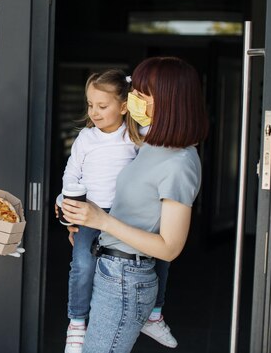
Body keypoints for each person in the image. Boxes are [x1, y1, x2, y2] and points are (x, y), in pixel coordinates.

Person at [61, 56, 209, 352]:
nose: (133, 98)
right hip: (110, 266)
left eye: (142, 93)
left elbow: (170, 247)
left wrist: (102, 221)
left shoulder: (180, 162)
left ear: (169, 100)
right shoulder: (148, 143)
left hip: (127, 280)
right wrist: (86, 223)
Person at [57, 69, 142, 353]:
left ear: (123, 105)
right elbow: (71, 174)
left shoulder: (135, 137)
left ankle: (148, 314)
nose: (94, 112)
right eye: (90, 105)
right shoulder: (86, 138)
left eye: (102, 106)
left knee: (119, 270)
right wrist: (66, 199)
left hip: (121, 216)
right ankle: (77, 323)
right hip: (88, 213)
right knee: (82, 266)